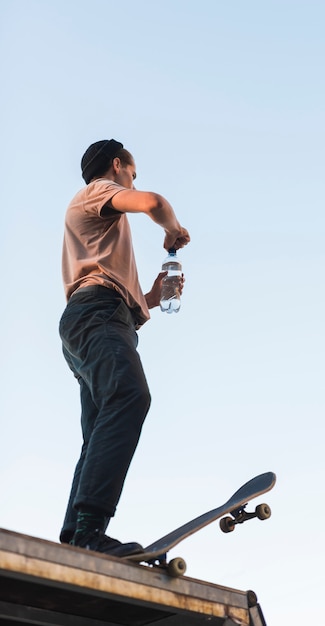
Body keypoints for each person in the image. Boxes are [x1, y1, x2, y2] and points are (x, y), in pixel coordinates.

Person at [59, 139, 190, 556]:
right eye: (131, 173)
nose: (132, 182)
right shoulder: (97, 191)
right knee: (130, 396)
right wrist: (172, 230)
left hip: (102, 317)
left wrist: (148, 298)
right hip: (96, 315)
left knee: (99, 431)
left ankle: (77, 534)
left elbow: (113, 292)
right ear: (117, 166)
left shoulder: (101, 229)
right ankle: (91, 530)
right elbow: (153, 201)